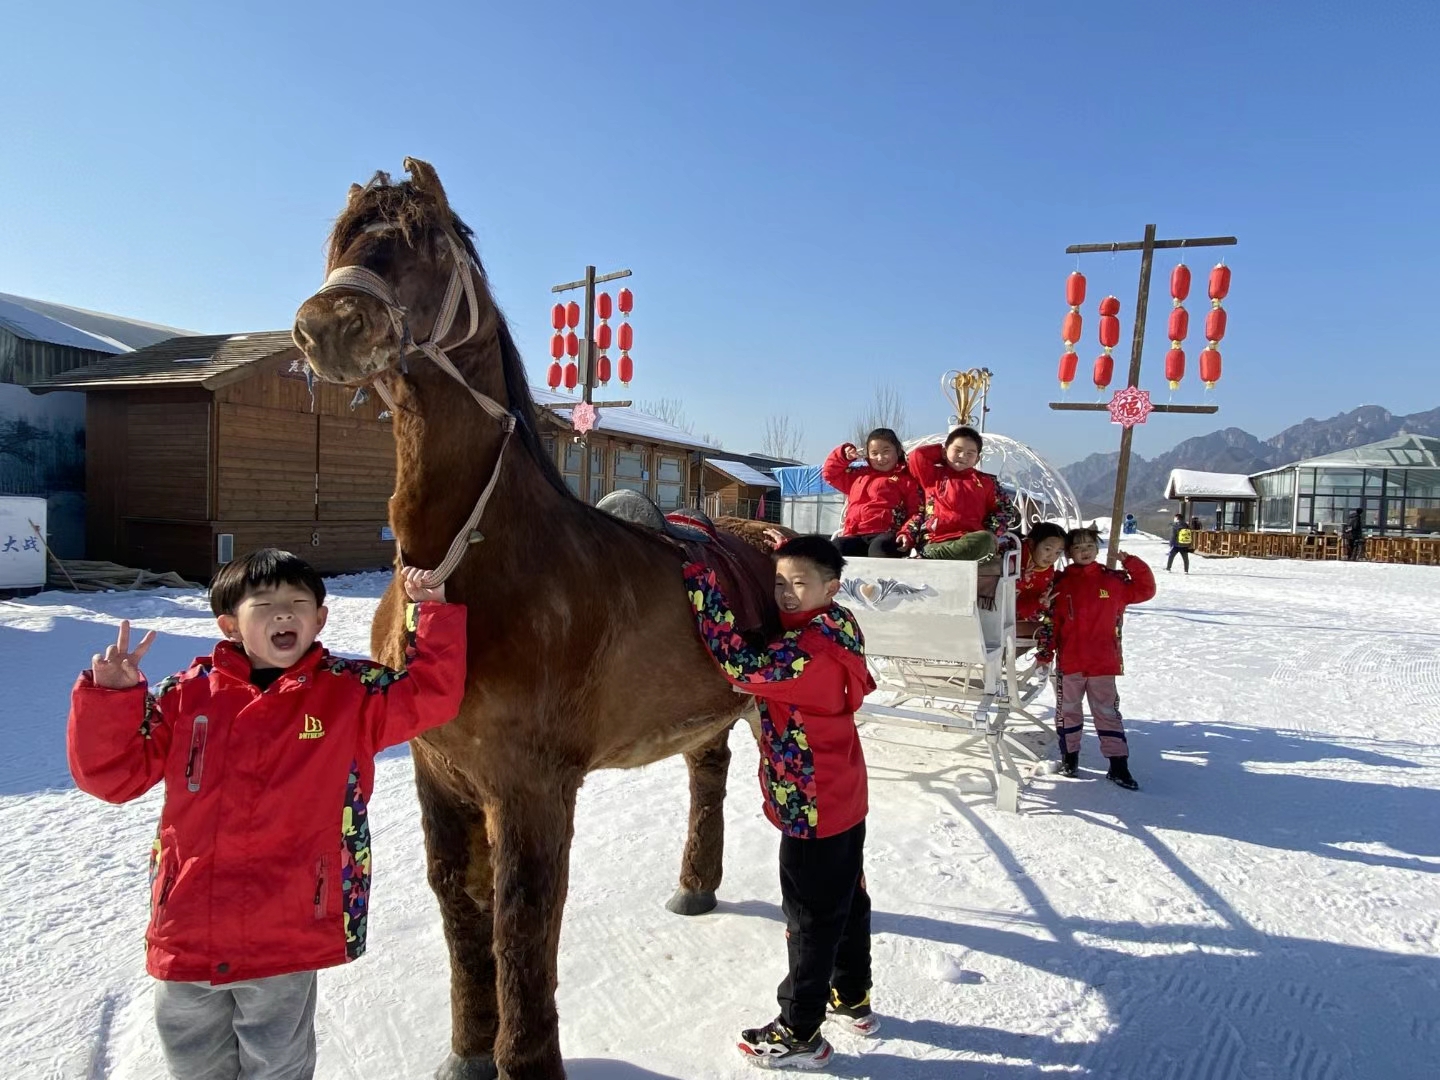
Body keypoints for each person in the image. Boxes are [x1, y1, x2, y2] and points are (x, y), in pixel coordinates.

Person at [67, 548, 467, 1080]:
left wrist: (430, 611)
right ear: (231, 624)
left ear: (320, 618)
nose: (284, 614)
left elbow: (430, 696)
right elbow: (113, 779)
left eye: (299, 603)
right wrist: (111, 701)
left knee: (278, 1064)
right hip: (187, 927)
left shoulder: (348, 694)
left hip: (289, 926)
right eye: (266, 604)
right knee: (194, 1062)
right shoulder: (184, 698)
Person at [683, 535, 878, 1069]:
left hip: (812, 800)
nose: (787, 595)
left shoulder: (806, 654)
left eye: (800, 583)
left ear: (831, 587)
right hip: (843, 790)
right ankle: (852, 995)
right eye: (779, 583)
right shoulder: (838, 624)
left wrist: (703, 586)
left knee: (809, 915)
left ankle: (800, 1030)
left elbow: (738, 666)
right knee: (847, 898)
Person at [1046, 526, 1155, 790]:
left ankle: (1118, 765)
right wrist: (1047, 651)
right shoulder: (1060, 583)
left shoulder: (1113, 581)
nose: (1084, 551)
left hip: (1103, 661)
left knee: (1106, 712)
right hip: (1070, 661)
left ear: (1097, 549)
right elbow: (1053, 623)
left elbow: (1145, 589)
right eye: (1077, 547)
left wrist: (1130, 561)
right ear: (1069, 553)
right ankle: (1069, 760)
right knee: (1068, 712)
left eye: (1089, 546)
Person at [899, 426, 1016, 561]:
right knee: (936, 549)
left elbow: (1004, 509)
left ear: (977, 459)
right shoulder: (932, 476)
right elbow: (917, 456)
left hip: (970, 540)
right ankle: (930, 556)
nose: (962, 456)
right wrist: (943, 455)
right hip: (936, 541)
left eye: (970, 453)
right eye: (957, 450)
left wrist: (992, 531)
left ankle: (928, 559)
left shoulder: (986, 482)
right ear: (944, 452)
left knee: (985, 540)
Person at [821, 428, 923, 559]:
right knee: (836, 547)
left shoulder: (906, 480)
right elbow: (830, 474)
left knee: (879, 548)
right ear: (868, 455)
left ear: (897, 451)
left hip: (887, 534)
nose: (880, 458)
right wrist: (843, 455)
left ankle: (882, 579)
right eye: (874, 453)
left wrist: (907, 533)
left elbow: (917, 511)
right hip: (855, 534)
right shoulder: (858, 475)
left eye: (886, 452)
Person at [1016, 521, 1067, 638]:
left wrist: (1042, 603)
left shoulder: (1048, 573)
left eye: (1057, 552)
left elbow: (1034, 604)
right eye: (1048, 549)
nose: (1052, 556)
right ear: (1032, 543)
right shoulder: (1015, 558)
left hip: (1022, 621)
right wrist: (1019, 581)